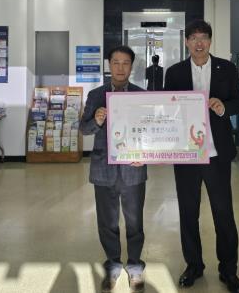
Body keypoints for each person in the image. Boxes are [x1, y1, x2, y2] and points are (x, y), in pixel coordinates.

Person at [164, 20, 239, 293]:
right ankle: (194, 266)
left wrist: (223, 107)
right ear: (186, 42)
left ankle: (228, 270)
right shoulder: (174, 72)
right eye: (194, 38)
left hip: (216, 153)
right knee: (188, 213)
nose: (199, 43)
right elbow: (166, 108)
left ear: (210, 41)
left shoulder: (227, 68)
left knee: (223, 214)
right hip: (186, 153)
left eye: (204, 38)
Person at [80, 45, 147, 293]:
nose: (120, 68)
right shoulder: (96, 95)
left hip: (133, 169)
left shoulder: (141, 95)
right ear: (109, 65)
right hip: (104, 170)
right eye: (116, 62)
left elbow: (151, 132)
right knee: (107, 223)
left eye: (125, 63)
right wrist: (97, 120)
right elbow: (83, 129)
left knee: (135, 223)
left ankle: (135, 266)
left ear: (131, 66)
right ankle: (113, 265)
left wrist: (146, 154)